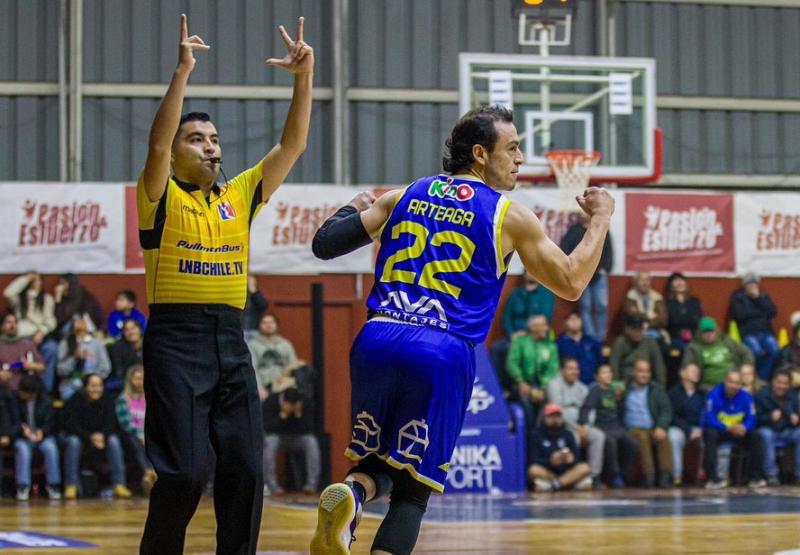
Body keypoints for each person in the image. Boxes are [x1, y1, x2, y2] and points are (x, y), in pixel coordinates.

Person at [309, 105, 614, 554]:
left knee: (374, 462)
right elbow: (570, 282)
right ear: (479, 154)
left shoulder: (404, 194)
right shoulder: (509, 215)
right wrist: (602, 219)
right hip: (439, 348)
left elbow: (325, 245)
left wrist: (350, 208)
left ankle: (352, 497)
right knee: (413, 491)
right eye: (511, 149)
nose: (520, 159)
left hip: (376, 337)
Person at [136, 14, 313, 555]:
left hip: (230, 342)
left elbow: (291, 146)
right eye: (197, 139)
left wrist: (303, 78)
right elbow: (158, 146)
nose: (210, 146)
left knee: (244, 473)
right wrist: (183, 72)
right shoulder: (159, 195)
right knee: (186, 475)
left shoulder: (240, 195)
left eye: (214, 139)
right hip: (175, 341)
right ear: (178, 151)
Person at [62, 373, 131, 499]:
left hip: (102, 437)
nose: (96, 389)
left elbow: (112, 422)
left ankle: (119, 484)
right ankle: (71, 485)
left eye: (99, 386)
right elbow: (71, 424)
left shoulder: (108, 399)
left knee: (114, 441)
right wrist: (90, 437)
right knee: (73, 442)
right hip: (81, 436)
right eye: (93, 386)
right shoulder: (75, 400)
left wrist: (102, 435)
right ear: (85, 387)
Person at [546, 357, 605, 486]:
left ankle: (594, 476)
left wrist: (585, 426)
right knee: (573, 438)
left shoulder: (583, 388)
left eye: (576, 369)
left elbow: (590, 410)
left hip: (581, 426)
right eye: (570, 369)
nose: (574, 372)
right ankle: (571, 476)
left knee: (598, 436)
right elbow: (557, 412)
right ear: (562, 371)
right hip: (563, 427)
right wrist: (576, 427)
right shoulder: (554, 385)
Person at [701, 369, 765, 489]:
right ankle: (713, 479)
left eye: (737, 383)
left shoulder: (746, 396)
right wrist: (727, 427)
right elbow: (709, 418)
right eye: (731, 382)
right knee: (710, 434)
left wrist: (744, 427)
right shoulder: (713, 394)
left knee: (757, 436)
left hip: (739, 431)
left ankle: (755, 478)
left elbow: (752, 417)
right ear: (725, 381)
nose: (734, 386)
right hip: (720, 430)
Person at [579, 364, 638, 488]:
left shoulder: (614, 390)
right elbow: (586, 409)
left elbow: (621, 411)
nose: (608, 375)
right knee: (610, 442)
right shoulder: (595, 391)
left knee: (632, 443)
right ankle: (614, 476)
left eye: (610, 372)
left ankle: (623, 473)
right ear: (597, 377)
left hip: (617, 426)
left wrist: (620, 398)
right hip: (602, 426)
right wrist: (583, 424)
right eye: (604, 373)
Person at [560, 211, 613, 342]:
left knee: (602, 305)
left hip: (599, 274)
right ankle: (591, 337)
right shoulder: (573, 231)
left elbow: (608, 250)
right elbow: (565, 249)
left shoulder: (600, 228)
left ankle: (600, 339)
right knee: (586, 306)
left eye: (584, 211)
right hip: (581, 274)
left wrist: (605, 268)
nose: (582, 214)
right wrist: (572, 268)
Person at [3, 272, 58, 391]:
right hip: (22, 336)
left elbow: (51, 321)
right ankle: (20, 386)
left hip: (41, 335)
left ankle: (45, 388)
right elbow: (8, 293)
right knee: (21, 353)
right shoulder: (19, 299)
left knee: (52, 348)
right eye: (33, 281)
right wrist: (25, 279)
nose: (36, 283)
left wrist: (42, 332)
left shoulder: (47, 299)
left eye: (39, 280)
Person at [262, 384, 320, 496]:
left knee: (311, 442)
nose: (292, 406)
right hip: (278, 437)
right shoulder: (272, 401)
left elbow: (309, 428)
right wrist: (283, 415)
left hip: (297, 438)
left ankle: (311, 485)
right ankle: (272, 486)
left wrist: (298, 415)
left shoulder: (305, 402)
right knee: (269, 442)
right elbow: (267, 427)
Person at [623, 359, 673, 488]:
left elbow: (666, 410)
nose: (644, 374)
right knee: (643, 436)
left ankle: (665, 476)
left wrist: (661, 426)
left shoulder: (656, 389)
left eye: (647, 371)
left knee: (663, 436)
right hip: (632, 429)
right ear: (634, 372)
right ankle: (649, 476)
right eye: (640, 371)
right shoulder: (625, 389)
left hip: (652, 427)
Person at [12, 374, 61, 501]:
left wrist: (42, 432)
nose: (20, 393)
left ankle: (53, 485)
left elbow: (51, 423)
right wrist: (22, 430)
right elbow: (13, 420)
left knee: (50, 448)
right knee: (22, 449)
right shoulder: (15, 400)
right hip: (22, 436)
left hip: (43, 436)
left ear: (33, 393)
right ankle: (23, 486)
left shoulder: (47, 401)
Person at [507, 314, 560, 429]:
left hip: (543, 386)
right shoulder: (520, 342)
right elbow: (512, 364)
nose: (546, 328)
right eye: (543, 325)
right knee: (527, 409)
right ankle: (529, 439)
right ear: (533, 328)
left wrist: (543, 388)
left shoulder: (551, 346)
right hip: (523, 383)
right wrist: (520, 381)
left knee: (550, 404)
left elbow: (553, 368)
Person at [527, 403, 592, 492]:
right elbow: (533, 459)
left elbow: (577, 457)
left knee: (585, 467)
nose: (555, 420)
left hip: (567, 472)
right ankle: (565, 484)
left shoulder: (568, 434)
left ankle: (556, 485)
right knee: (533, 470)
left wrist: (571, 459)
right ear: (544, 418)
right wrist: (551, 461)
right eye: (551, 416)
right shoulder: (536, 435)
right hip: (548, 473)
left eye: (557, 416)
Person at [730, 273, 780, 381]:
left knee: (776, 351)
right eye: (750, 284)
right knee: (757, 352)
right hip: (748, 333)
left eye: (755, 284)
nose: (753, 286)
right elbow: (739, 315)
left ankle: (762, 379)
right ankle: (760, 380)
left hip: (766, 332)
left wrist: (757, 298)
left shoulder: (763, 297)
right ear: (745, 285)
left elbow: (772, 312)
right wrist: (759, 312)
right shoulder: (738, 298)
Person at [115, 365, 156, 494]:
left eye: (142, 379)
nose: (140, 382)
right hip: (130, 435)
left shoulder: (150, 398)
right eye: (137, 378)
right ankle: (148, 472)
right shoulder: (123, 399)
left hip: (148, 433)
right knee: (136, 442)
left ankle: (151, 475)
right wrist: (140, 435)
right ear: (130, 380)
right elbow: (125, 423)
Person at [754, 370, 800, 486]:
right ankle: (771, 474)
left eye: (785, 384)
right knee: (766, 435)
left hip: (786, 430)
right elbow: (755, 418)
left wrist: (796, 418)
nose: (782, 386)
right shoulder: (761, 395)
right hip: (767, 428)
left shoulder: (793, 396)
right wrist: (769, 417)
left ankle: (798, 473)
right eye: (779, 383)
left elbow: (796, 414)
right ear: (773, 382)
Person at [682, 316, 754, 389]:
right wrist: (691, 368)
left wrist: (747, 364)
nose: (709, 334)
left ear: (716, 330)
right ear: (700, 333)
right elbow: (686, 365)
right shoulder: (694, 347)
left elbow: (746, 352)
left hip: (735, 381)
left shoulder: (725, 340)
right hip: (711, 386)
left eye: (711, 331)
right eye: (705, 332)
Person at [667, 363, 705, 486]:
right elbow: (672, 416)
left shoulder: (702, 393)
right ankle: (676, 476)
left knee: (710, 436)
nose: (696, 373)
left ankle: (703, 474)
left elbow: (707, 413)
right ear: (682, 373)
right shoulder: (673, 393)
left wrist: (700, 429)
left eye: (697, 371)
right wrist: (688, 430)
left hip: (699, 427)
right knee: (673, 437)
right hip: (680, 427)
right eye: (692, 371)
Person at [56, 316, 111, 400]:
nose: (80, 322)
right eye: (77, 320)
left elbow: (105, 368)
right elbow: (60, 370)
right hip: (70, 384)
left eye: (83, 320)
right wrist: (74, 358)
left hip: (92, 384)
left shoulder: (97, 344)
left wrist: (91, 378)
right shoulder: (65, 344)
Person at [246, 312, 299, 399]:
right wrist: (258, 387)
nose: (268, 325)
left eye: (271, 322)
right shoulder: (253, 345)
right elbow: (252, 368)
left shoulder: (286, 344)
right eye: (264, 322)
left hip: (284, 385)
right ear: (259, 325)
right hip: (264, 385)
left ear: (276, 325)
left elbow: (293, 366)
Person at [609, 315, 666, 385]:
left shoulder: (651, 343)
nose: (638, 332)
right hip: (625, 383)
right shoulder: (620, 342)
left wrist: (660, 388)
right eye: (634, 329)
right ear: (627, 329)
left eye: (640, 329)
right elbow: (614, 367)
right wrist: (616, 386)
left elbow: (659, 368)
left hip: (646, 383)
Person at [0, 313, 45, 391]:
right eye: (8, 322)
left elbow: (42, 367)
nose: (12, 325)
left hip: (25, 388)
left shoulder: (27, 345)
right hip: (4, 388)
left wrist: (31, 365)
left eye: (15, 322)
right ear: (1, 327)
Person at [556, 312, 603, 385]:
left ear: (582, 322)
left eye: (577, 319)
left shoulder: (592, 342)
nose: (574, 322)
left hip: (592, 383)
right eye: (571, 319)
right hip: (569, 384)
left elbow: (600, 363)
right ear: (565, 323)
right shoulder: (559, 342)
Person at [624, 271, 669, 346]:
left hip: (656, 332)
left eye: (647, 280)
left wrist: (647, 325)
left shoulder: (658, 298)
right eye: (642, 280)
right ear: (635, 282)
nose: (645, 283)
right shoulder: (630, 298)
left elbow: (663, 320)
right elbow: (632, 317)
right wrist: (648, 315)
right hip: (635, 333)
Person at [53, 273, 105, 338]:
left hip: (89, 332)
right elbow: (58, 320)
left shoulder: (87, 298)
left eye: (63, 284)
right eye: (60, 284)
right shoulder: (62, 300)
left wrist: (101, 330)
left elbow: (100, 316)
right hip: (68, 335)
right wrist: (58, 299)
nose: (60, 287)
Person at [664, 272, 703, 354]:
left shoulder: (694, 301)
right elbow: (669, 322)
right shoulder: (668, 303)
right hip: (675, 338)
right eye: (676, 281)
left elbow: (699, 319)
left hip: (694, 336)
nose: (679, 283)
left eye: (681, 280)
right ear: (671, 286)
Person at [108, 319, 144, 392]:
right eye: (127, 330)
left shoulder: (150, 343)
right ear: (123, 333)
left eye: (133, 328)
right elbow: (119, 371)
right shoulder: (118, 347)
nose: (131, 332)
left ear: (139, 329)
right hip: (125, 380)